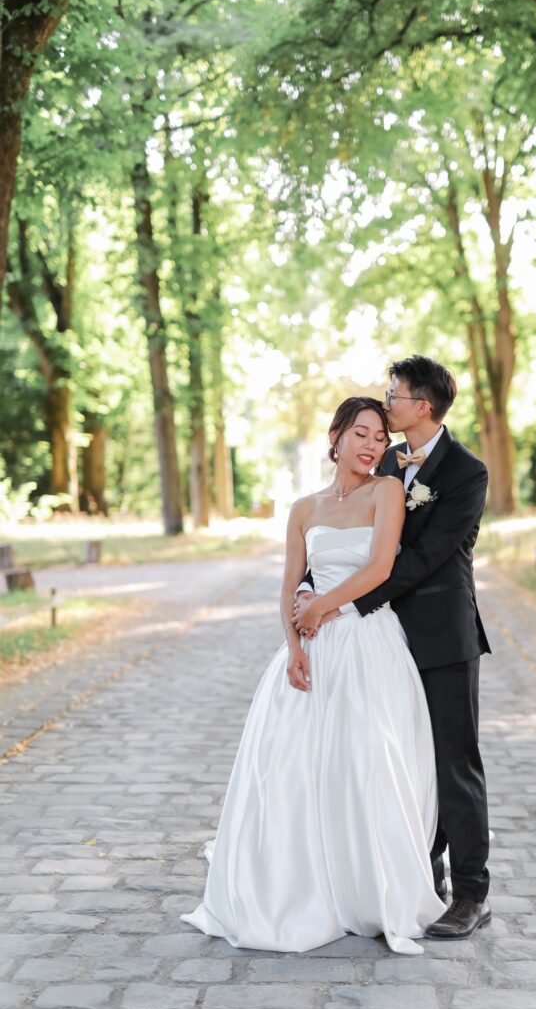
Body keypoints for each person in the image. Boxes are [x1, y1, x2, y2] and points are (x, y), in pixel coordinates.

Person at [180, 397, 445, 955]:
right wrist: (294, 642)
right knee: (292, 766)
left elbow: (380, 568)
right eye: (361, 434)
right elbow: (287, 586)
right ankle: (298, 882)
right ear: (336, 436)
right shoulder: (304, 508)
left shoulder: (387, 491)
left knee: (365, 759)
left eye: (379, 437)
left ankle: (367, 884)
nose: (373, 446)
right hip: (313, 647)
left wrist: (323, 606)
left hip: (366, 638)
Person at [295, 356, 491, 940]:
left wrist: (344, 603)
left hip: (438, 636)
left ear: (421, 405)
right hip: (377, 642)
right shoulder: (380, 458)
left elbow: (421, 559)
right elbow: (337, 536)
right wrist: (312, 589)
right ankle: (416, 875)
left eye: (394, 395)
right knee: (396, 758)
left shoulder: (465, 473)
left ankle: (472, 893)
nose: (386, 403)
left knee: (453, 763)